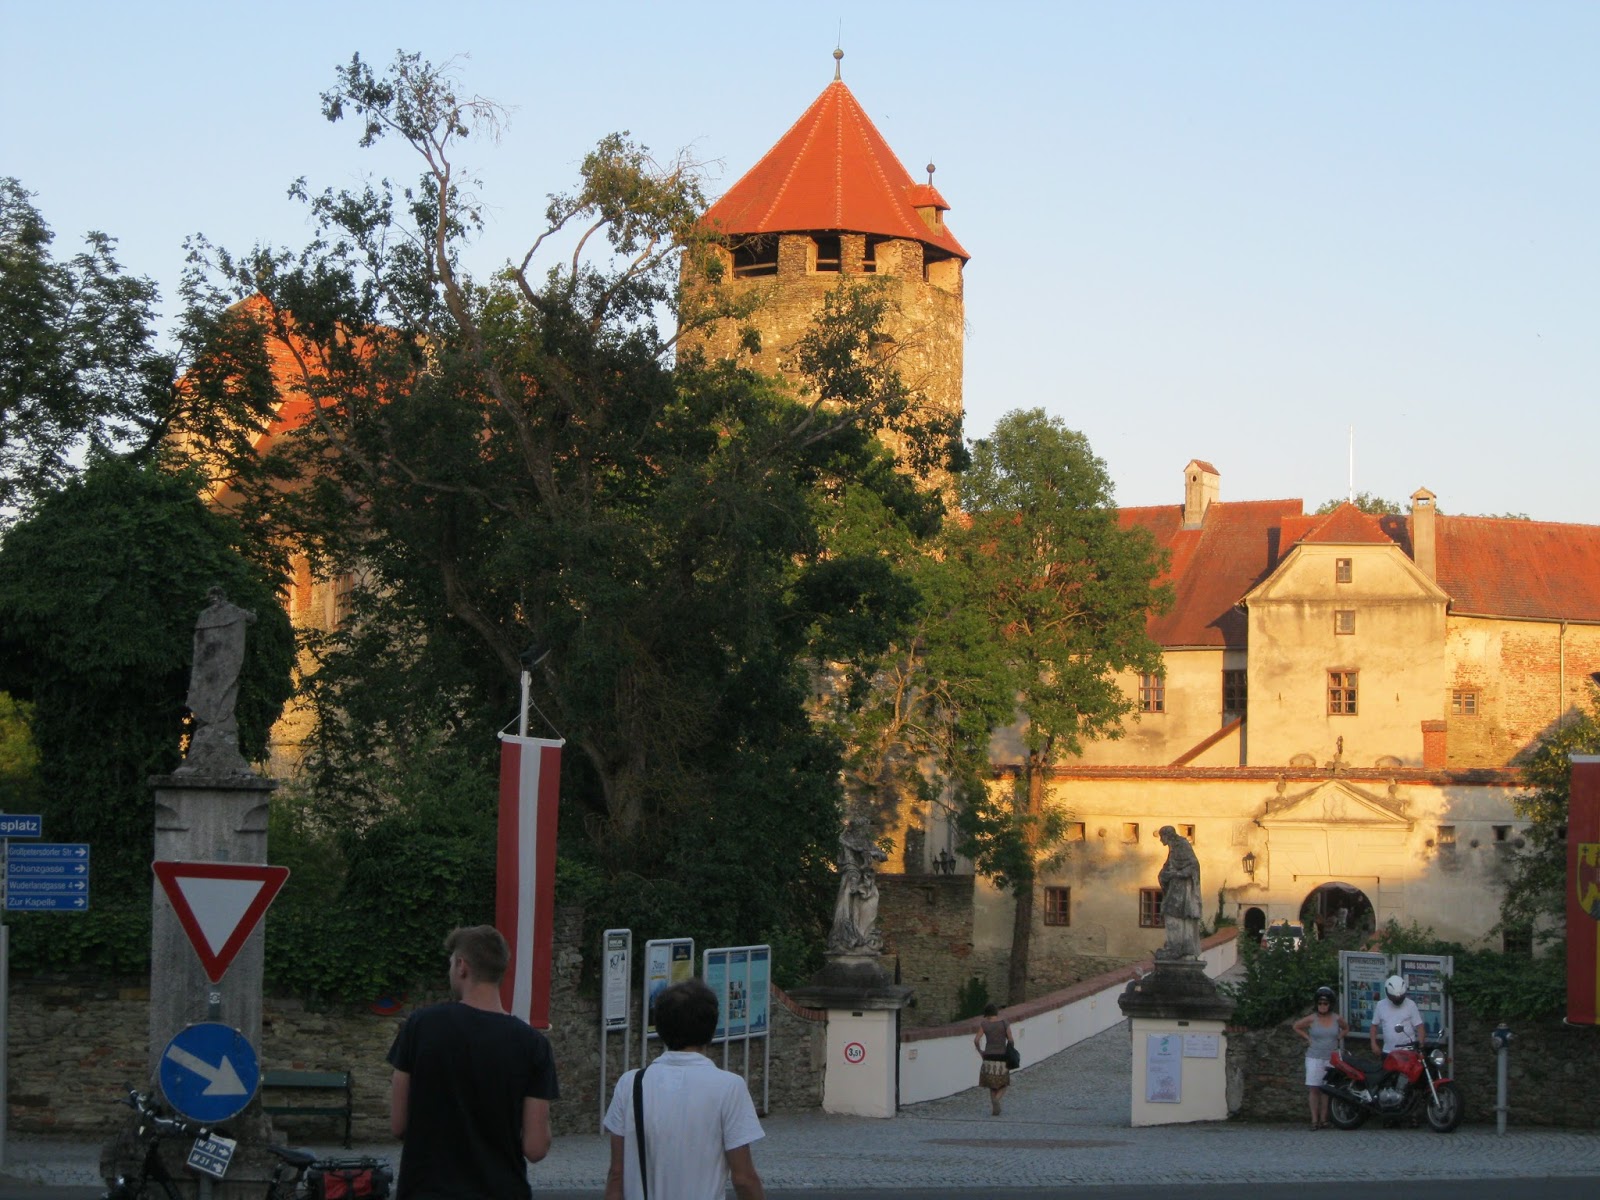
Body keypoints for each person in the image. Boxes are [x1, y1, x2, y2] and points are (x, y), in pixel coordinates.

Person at [387, 926, 559, 1200]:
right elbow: (536, 1148)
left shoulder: (420, 1026)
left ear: (462, 966)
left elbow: (398, 1124)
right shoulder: (533, 1045)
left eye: (450, 964)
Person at [604, 979, 765, 1200]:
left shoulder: (631, 1084)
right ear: (711, 1027)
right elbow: (743, 1179)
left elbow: (617, 1174)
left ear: (660, 1028)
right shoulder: (729, 1087)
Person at [1293, 985, 1347, 1129]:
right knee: (1314, 1088)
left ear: (1330, 1004)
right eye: (1320, 1003)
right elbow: (1296, 1026)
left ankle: (1324, 1119)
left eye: (1325, 1003)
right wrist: (1307, 1038)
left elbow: (1347, 1028)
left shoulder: (1337, 1018)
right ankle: (1314, 1120)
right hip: (1314, 1056)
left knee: (1327, 1089)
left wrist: (1339, 1037)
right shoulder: (1312, 1018)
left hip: (1331, 1057)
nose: (1322, 1006)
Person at [1155, 825, 1202, 959]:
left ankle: (1177, 947)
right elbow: (1168, 866)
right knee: (1171, 913)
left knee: (1172, 913)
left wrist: (1177, 873)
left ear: (1167, 835)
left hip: (1182, 889)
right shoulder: (1174, 847)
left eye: (1161, 837)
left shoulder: (1181, 845)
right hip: (1176, 886)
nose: (1160, 840)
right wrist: (1164, 874)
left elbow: (1193, 865)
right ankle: (1176, 945)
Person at [972, 1003, 1013, 1117]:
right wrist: (1010, 1050)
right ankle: (996, 1100)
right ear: (996, 1012)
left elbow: (976, 1040)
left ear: (986, 1014)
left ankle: (994, 1106)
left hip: (988, 1056)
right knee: (1004, 1083)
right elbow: (1010, 1039)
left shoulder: (984, 1024)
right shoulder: (1004, 1023)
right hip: (1001, 1056)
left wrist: (980, 1051)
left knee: (992, 1084)